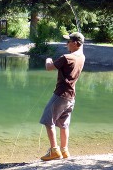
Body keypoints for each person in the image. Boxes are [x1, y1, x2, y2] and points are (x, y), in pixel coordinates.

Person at [40, 32, 85, 161]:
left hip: (61, 95)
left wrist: (48, 59)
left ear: (75, 43)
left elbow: (49, 67)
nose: (66, 44)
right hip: (71, 97)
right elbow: (80, 51)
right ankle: (64, 150)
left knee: (48, 121)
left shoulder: (66, 57)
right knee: (64, 124)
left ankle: (54, 151)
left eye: (68, 42)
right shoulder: (82, 57)